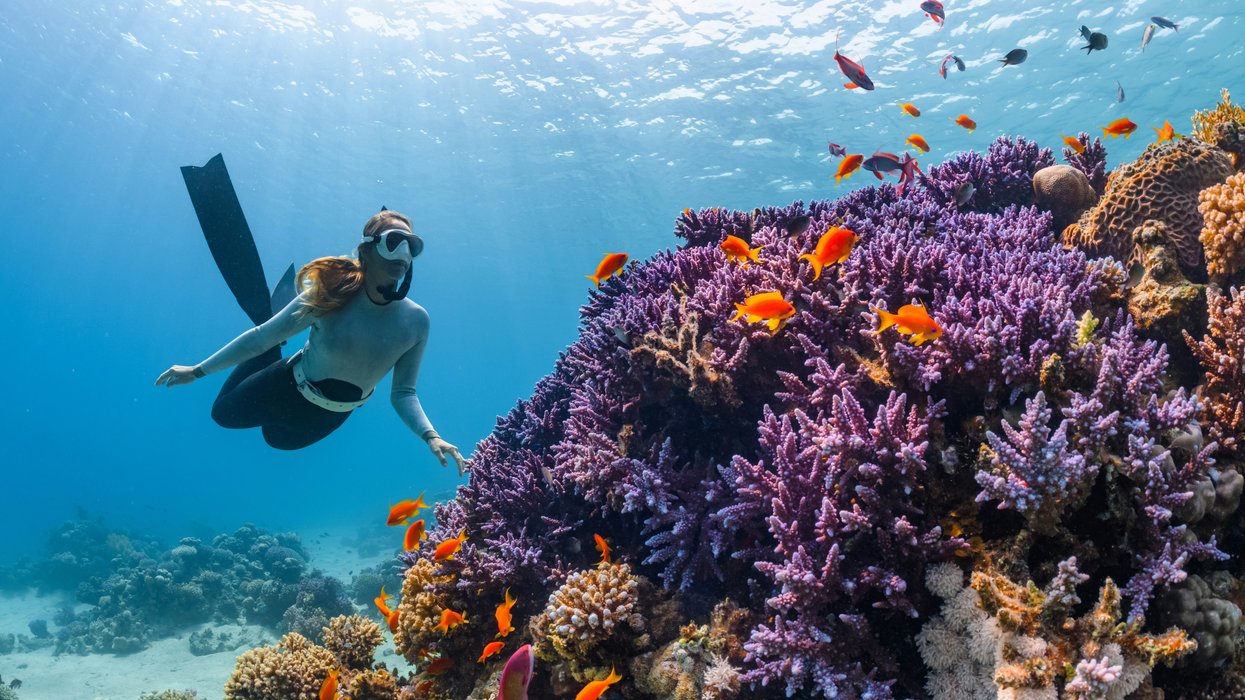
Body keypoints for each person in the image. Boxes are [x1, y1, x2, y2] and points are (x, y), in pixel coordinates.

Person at [156, 210, 466, 474]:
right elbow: (259, 338)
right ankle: (277, 342)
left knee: (276, 441)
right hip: (286, 386)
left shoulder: (416, 322)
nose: (403, 254)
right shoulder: (330, 294)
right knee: (222, 414)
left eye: (412, 246)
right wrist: (196, 371)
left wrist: (431, 436)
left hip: (333, 414)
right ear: (367, 250)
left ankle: (278, 342)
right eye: (394, 242)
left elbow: (403, 392)